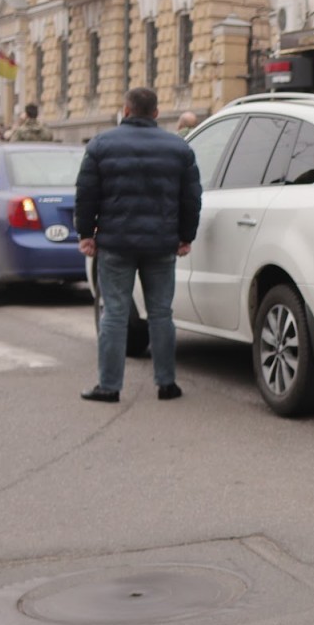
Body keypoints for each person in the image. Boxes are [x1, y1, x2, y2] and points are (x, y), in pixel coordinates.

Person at [74, 87, 202, 404]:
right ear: (156, 113)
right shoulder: (179, 148)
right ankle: (167, 384)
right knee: (161, 314)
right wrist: (186, 236)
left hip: (115, 244)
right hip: (161, 243)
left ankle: (109, 386)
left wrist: (86, 234)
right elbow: (191, 199)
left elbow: (86, 194)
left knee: (115, 314)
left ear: (125, 110)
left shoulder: (101, 145)